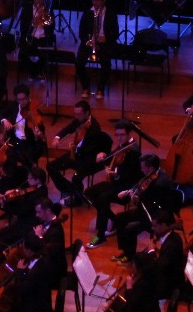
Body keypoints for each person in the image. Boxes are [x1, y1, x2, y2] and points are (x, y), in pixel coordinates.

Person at [84, 119, 142, 248]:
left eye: (122, 135)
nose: (119, 138)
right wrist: (103, 156)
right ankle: (115, 221)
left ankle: (100, 236)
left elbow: (130, 176)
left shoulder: (133, 151)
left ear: (129, 134)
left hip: (126, 189)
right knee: (88, 193)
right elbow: (111, 158)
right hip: (116, 183)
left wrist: (115, 175)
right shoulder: (122, 146)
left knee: (103, 198)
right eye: (117, 135)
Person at [111, 154, 178, 264]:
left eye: (143, 167)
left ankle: (129, 256)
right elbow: (142, 190)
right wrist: (131, 192)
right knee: (119, 218)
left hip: (156, 216)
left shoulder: (160, 183)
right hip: (147, 209)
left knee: (130, 229)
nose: (141, 170)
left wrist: (136, 199)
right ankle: (125, 251)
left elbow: (150, 203)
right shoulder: (154, 174)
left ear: (150, 167)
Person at [47, 101, 112, 204]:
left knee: (76, 178)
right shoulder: (79, 120)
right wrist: (57, 138)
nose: (76, 116)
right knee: (51, 166)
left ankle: (77, 199)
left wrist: (75, 147)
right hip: (76, 155)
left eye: (79, 114)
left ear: (87, 113)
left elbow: (90, 150)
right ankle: (68, 190)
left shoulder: (95, 129)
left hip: (88, 159)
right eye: (75, 113)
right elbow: (68, 128)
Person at [77, 0, 120, 100]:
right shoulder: (87, 14)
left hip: (104, 44)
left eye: (98, 0)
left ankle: (100, 88)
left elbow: (115, 33)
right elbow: (81, 33)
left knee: (106, 63)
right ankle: (85, 86)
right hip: (89, 44)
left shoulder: (111, 14)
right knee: (79, 62)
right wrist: (88, 40)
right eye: (93, 0)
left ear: (104, 1)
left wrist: (106, 38)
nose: (95, 3)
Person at [17, 0, 55, 82]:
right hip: (31, 37)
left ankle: (37, 72)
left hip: (43, 37)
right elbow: (23, 28)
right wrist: (33, 23)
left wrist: (45, 20)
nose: (38, 0)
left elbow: (52, 28)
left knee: (45, 53)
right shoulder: (26, 9)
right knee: (23, 53)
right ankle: (34, 72)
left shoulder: (48, 10)